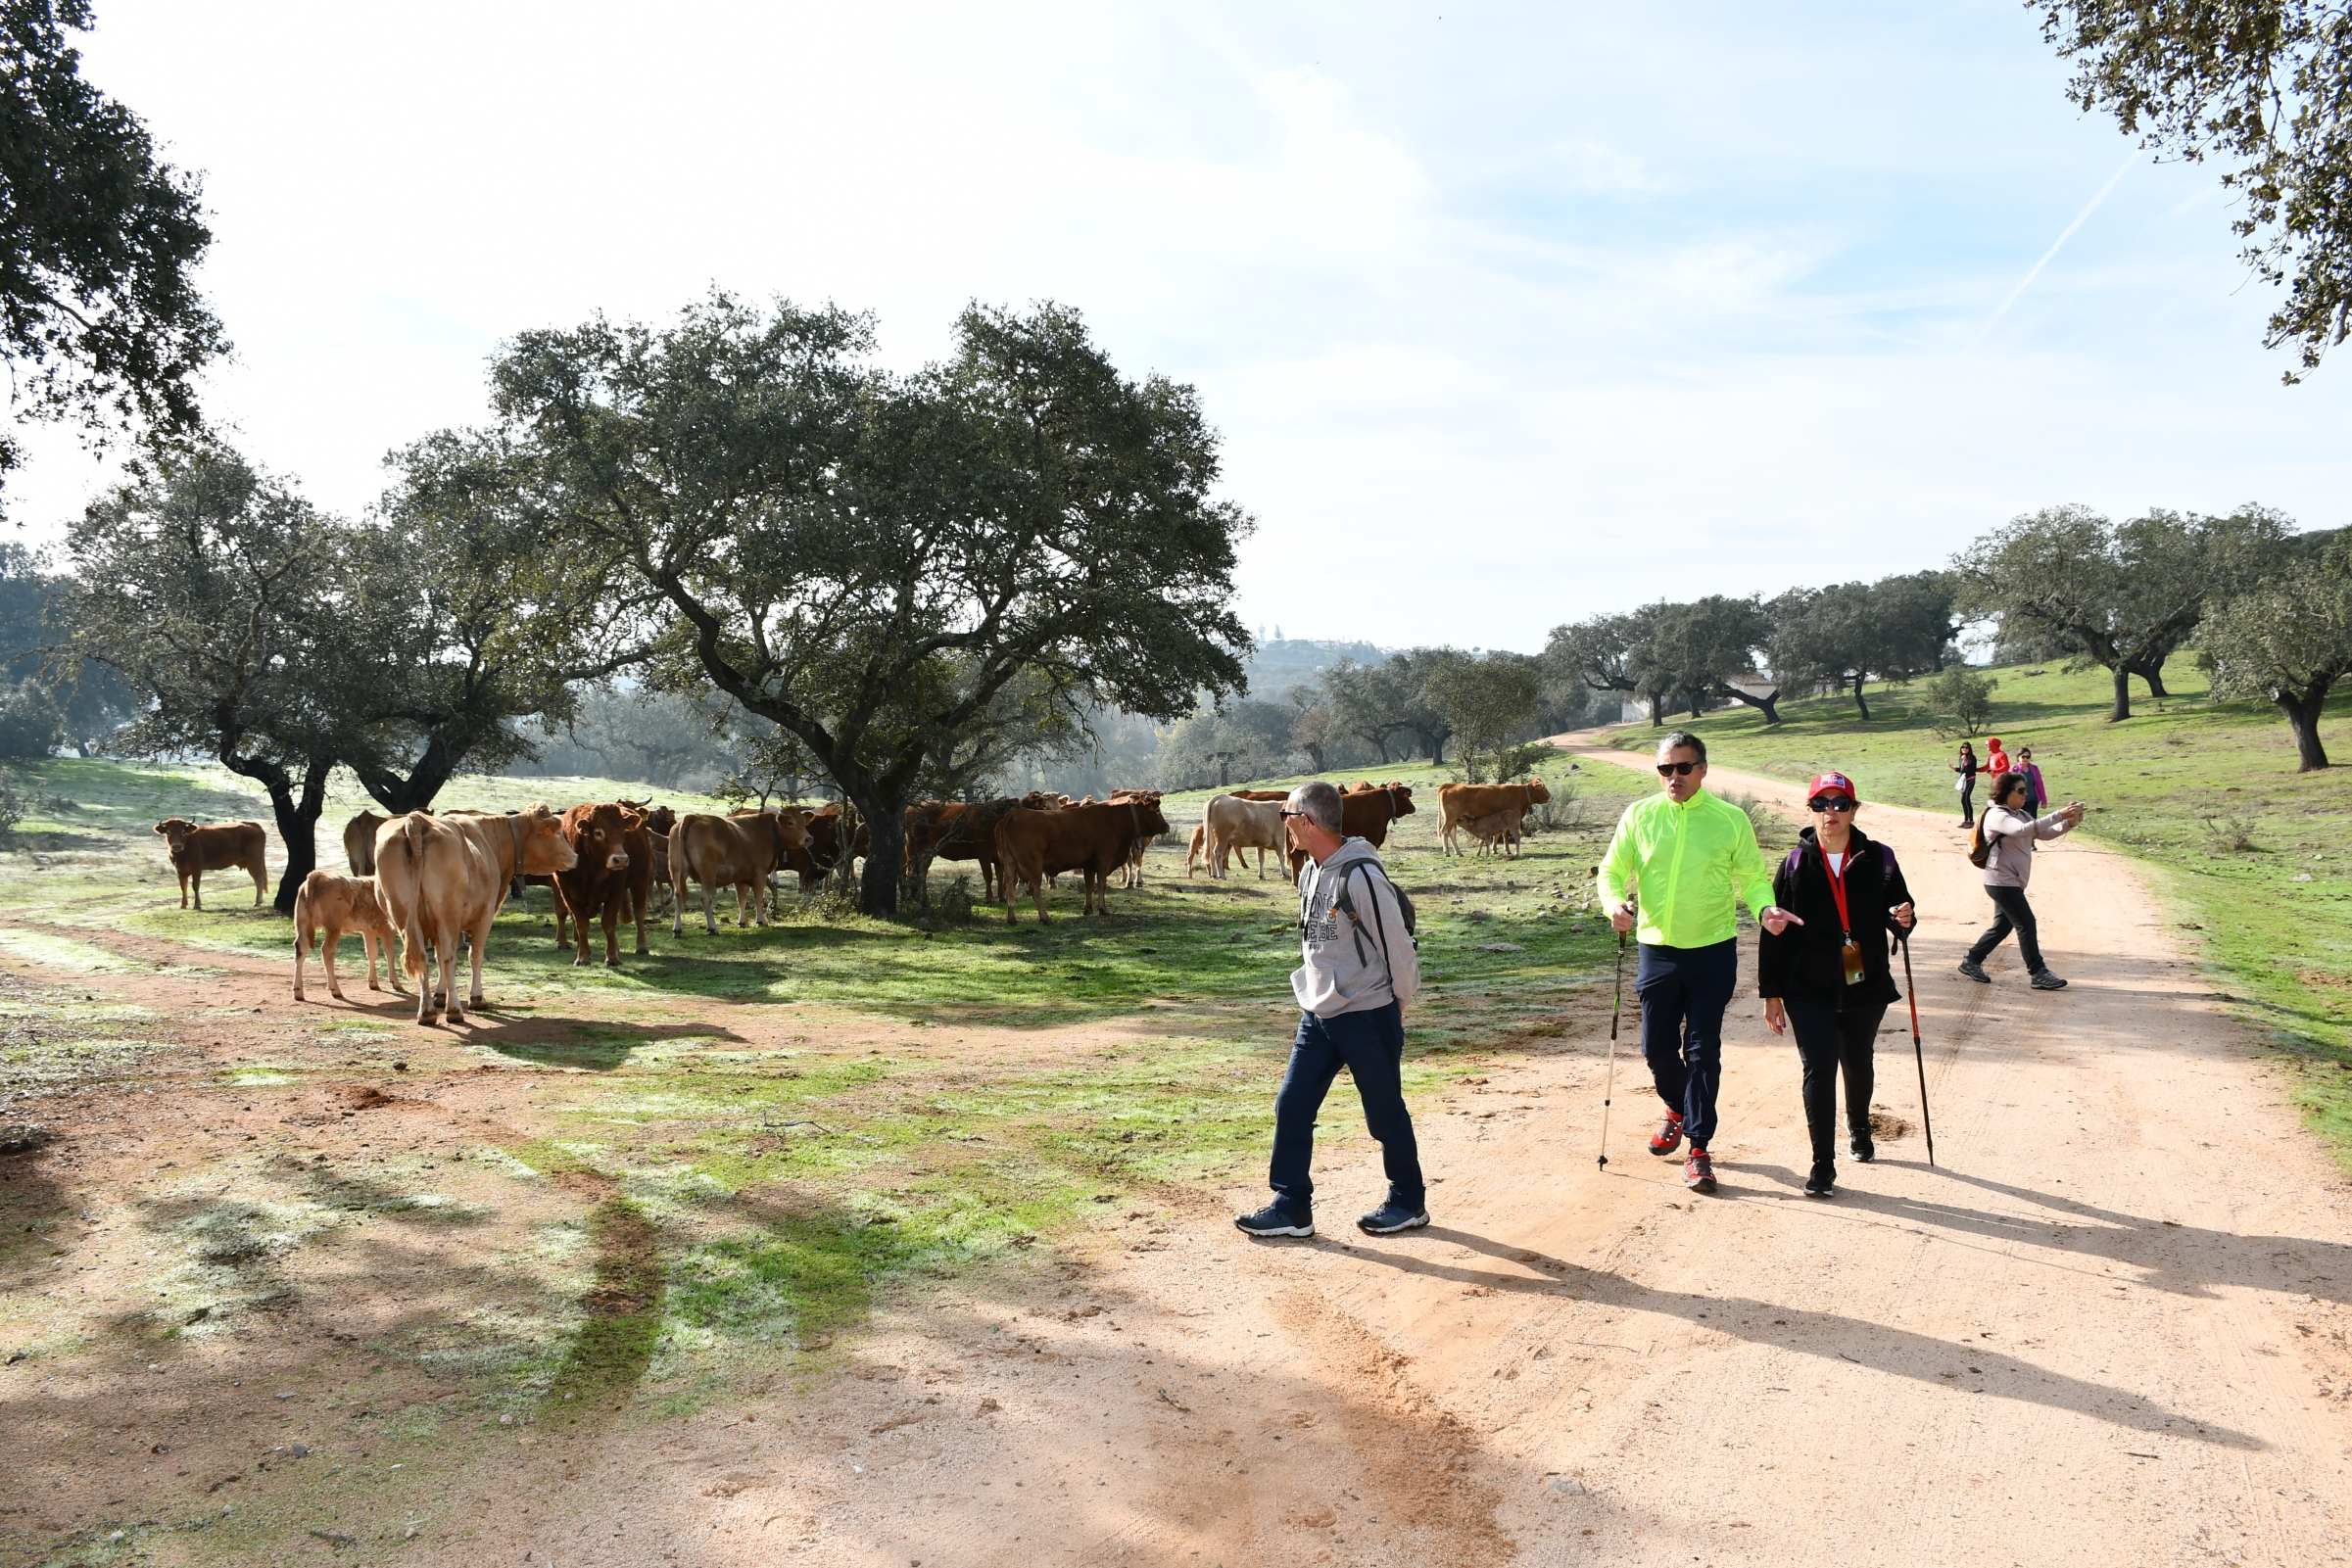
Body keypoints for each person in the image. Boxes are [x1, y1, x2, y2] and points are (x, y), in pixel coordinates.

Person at [1596, 731, 1802, 1195]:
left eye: (1682, 768)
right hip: (1656, 948)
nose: (1673, 777)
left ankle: (1698, 1149)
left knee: (1703, 1051)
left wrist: (1764, 909)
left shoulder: (1729, 820)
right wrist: (1613, 904)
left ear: (1703, 769)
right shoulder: (1640, 815)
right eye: (1665, 769)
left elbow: (1751, 876)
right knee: (1656, 1050)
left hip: (1713, 950)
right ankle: (1677, 1107)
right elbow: (1611, 869)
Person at [1236, 779, 1427, 1239]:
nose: (1282, 823)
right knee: (1293, 1103)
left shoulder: (1361, 874)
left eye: (1286, 815)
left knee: (1384, 1113)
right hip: (1319, 1013)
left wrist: (1399, 1001)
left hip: (1368, 1012)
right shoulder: (1307, 872)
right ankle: (1291, 1207)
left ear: (1306, 821)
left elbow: (1397, 945)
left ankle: (1407, 1202)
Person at [1757, 772, 1916, 1198]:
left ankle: (1859, 1124)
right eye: (1822, 804)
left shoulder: (1879, 858)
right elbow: (1773, 930)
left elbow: (1899, 913)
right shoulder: (1793, 863)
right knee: (1819, 1067)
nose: (1831, 812)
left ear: (1853, 810)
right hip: (1806, 987)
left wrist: (1904, 917)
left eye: (1840, 803)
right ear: (1809, 810)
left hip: (1863, 979)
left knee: (1858, 1061)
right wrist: (1771, 993)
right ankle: (1822, 1165)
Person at [1957, 771, 2086, 991]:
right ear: (2006, 793)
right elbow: (2022, 831)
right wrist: (2058, 814)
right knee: (2026, 923)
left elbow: (2042, 833)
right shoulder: (1998, 815)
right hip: (2000, 881)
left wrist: (2069, 823)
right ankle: (2038, 972)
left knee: (2002, 926)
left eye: (2026, 790)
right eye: (2021, 791)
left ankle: (1972, 960)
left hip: (2010, 881)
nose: (2026, 795)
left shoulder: (2020, 813)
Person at [1951, 740, 1979, 828]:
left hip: (1970, 780)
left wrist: (1966, 761)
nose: (1964, 749)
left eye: (1966, 747)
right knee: (1963, 800)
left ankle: (1971, 821)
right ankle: (1966, 820)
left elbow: (1970, 770)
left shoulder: (1972, 758)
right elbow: (1962, 770)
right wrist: (1953, 768)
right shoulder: (1962, 758)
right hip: (1964, 781)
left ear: (1969, 749)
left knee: (1967, 799)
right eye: (1963, 747)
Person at [2017, 746, 2048, 814]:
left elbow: (2040, 784)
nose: (2025, 759)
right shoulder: (2014, 769)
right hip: (2018, 802)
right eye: (2023, 757)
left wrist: (2044, 800)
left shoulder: (2034, 768)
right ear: (2018, 757)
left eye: (2027, 757)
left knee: (2032, 822)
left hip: (2032, 800)